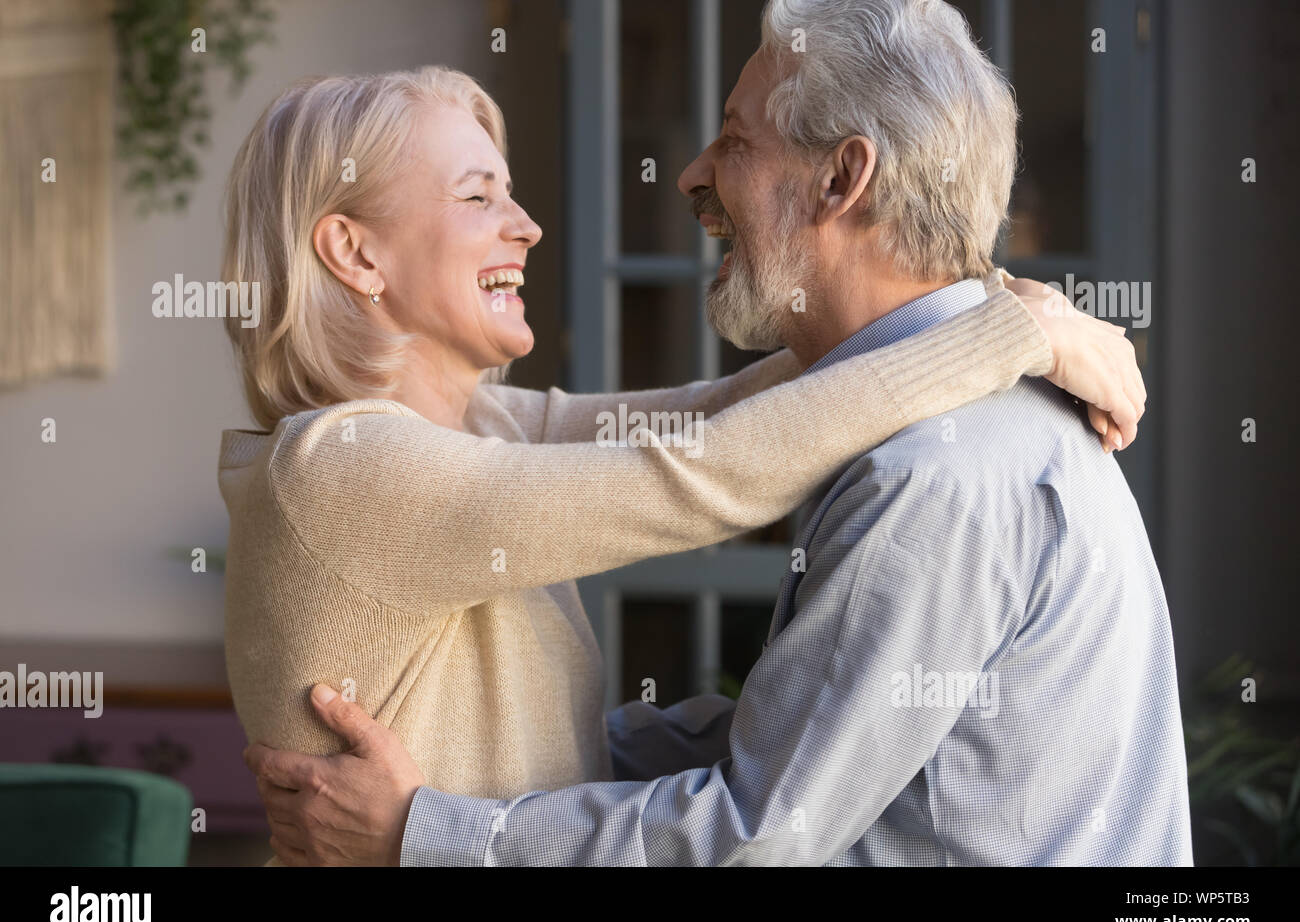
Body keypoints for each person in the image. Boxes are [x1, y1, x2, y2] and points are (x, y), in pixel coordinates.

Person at [231, 3, 1150, 867]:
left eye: (737, 140)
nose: (529, 225)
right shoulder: (342, 470)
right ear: (354, 253)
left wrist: (991, 314)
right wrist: (1000, 326)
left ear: (842, 178)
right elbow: (703, 469)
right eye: (479, 198)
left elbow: (714, 421)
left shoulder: (934, 469)